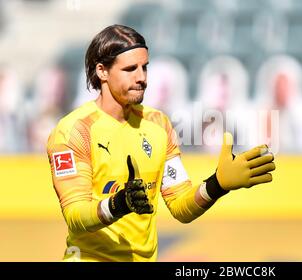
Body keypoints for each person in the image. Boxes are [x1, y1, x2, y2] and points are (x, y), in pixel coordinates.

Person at [46, 24, 276, 262]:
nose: (141, 78)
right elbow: (75, 216)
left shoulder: (158, 124)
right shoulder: (73, 131)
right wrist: (118, 204)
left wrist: (217, 185)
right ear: (102, 71)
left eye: (144, 67)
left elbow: (180, 206)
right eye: (130, 69)